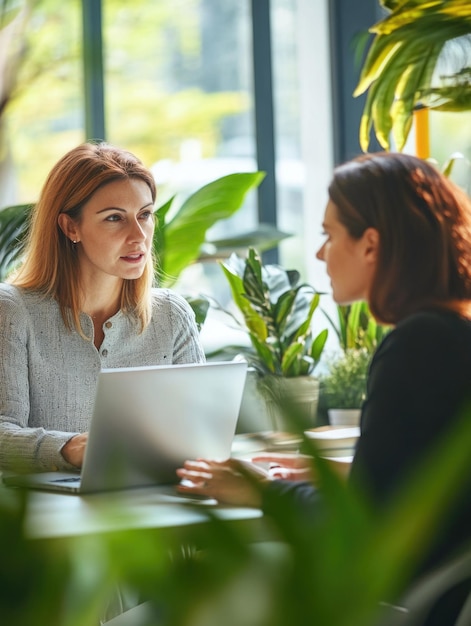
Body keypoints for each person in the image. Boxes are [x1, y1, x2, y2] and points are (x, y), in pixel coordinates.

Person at [177, 152, 471, 624]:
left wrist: (259, 490)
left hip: (421, 604)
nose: (319, 253)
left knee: (205, 591)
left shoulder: (417, 345)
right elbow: (428, 478)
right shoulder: (453, 333)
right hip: (450, 593)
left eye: (329, 235)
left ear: (371, 244)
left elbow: (368, 522)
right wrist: (333, 471)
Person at [0, 142, 205, 473]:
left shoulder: (171, 315)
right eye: (114, 218)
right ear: (71, 227)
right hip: (46, 516)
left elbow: (201, 435)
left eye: (145, 215)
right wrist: (69, 448)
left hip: (157, 502)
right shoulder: (11, 311)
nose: (138, 235)